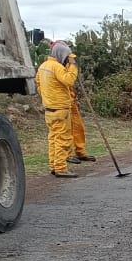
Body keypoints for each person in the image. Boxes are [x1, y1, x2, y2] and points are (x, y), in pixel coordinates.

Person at [36, 41, 79, 178]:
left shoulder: (43, 66)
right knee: (62, 139)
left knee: (53, 138)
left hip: (49, 109)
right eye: (67, 56)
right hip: (60, 108)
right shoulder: (56, 67)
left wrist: (46, 97)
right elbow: (69, 80)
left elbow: (38, 83)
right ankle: (61, 168)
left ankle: (54, 166)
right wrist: (73, 66)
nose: (68, 59)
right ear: (61, 54)